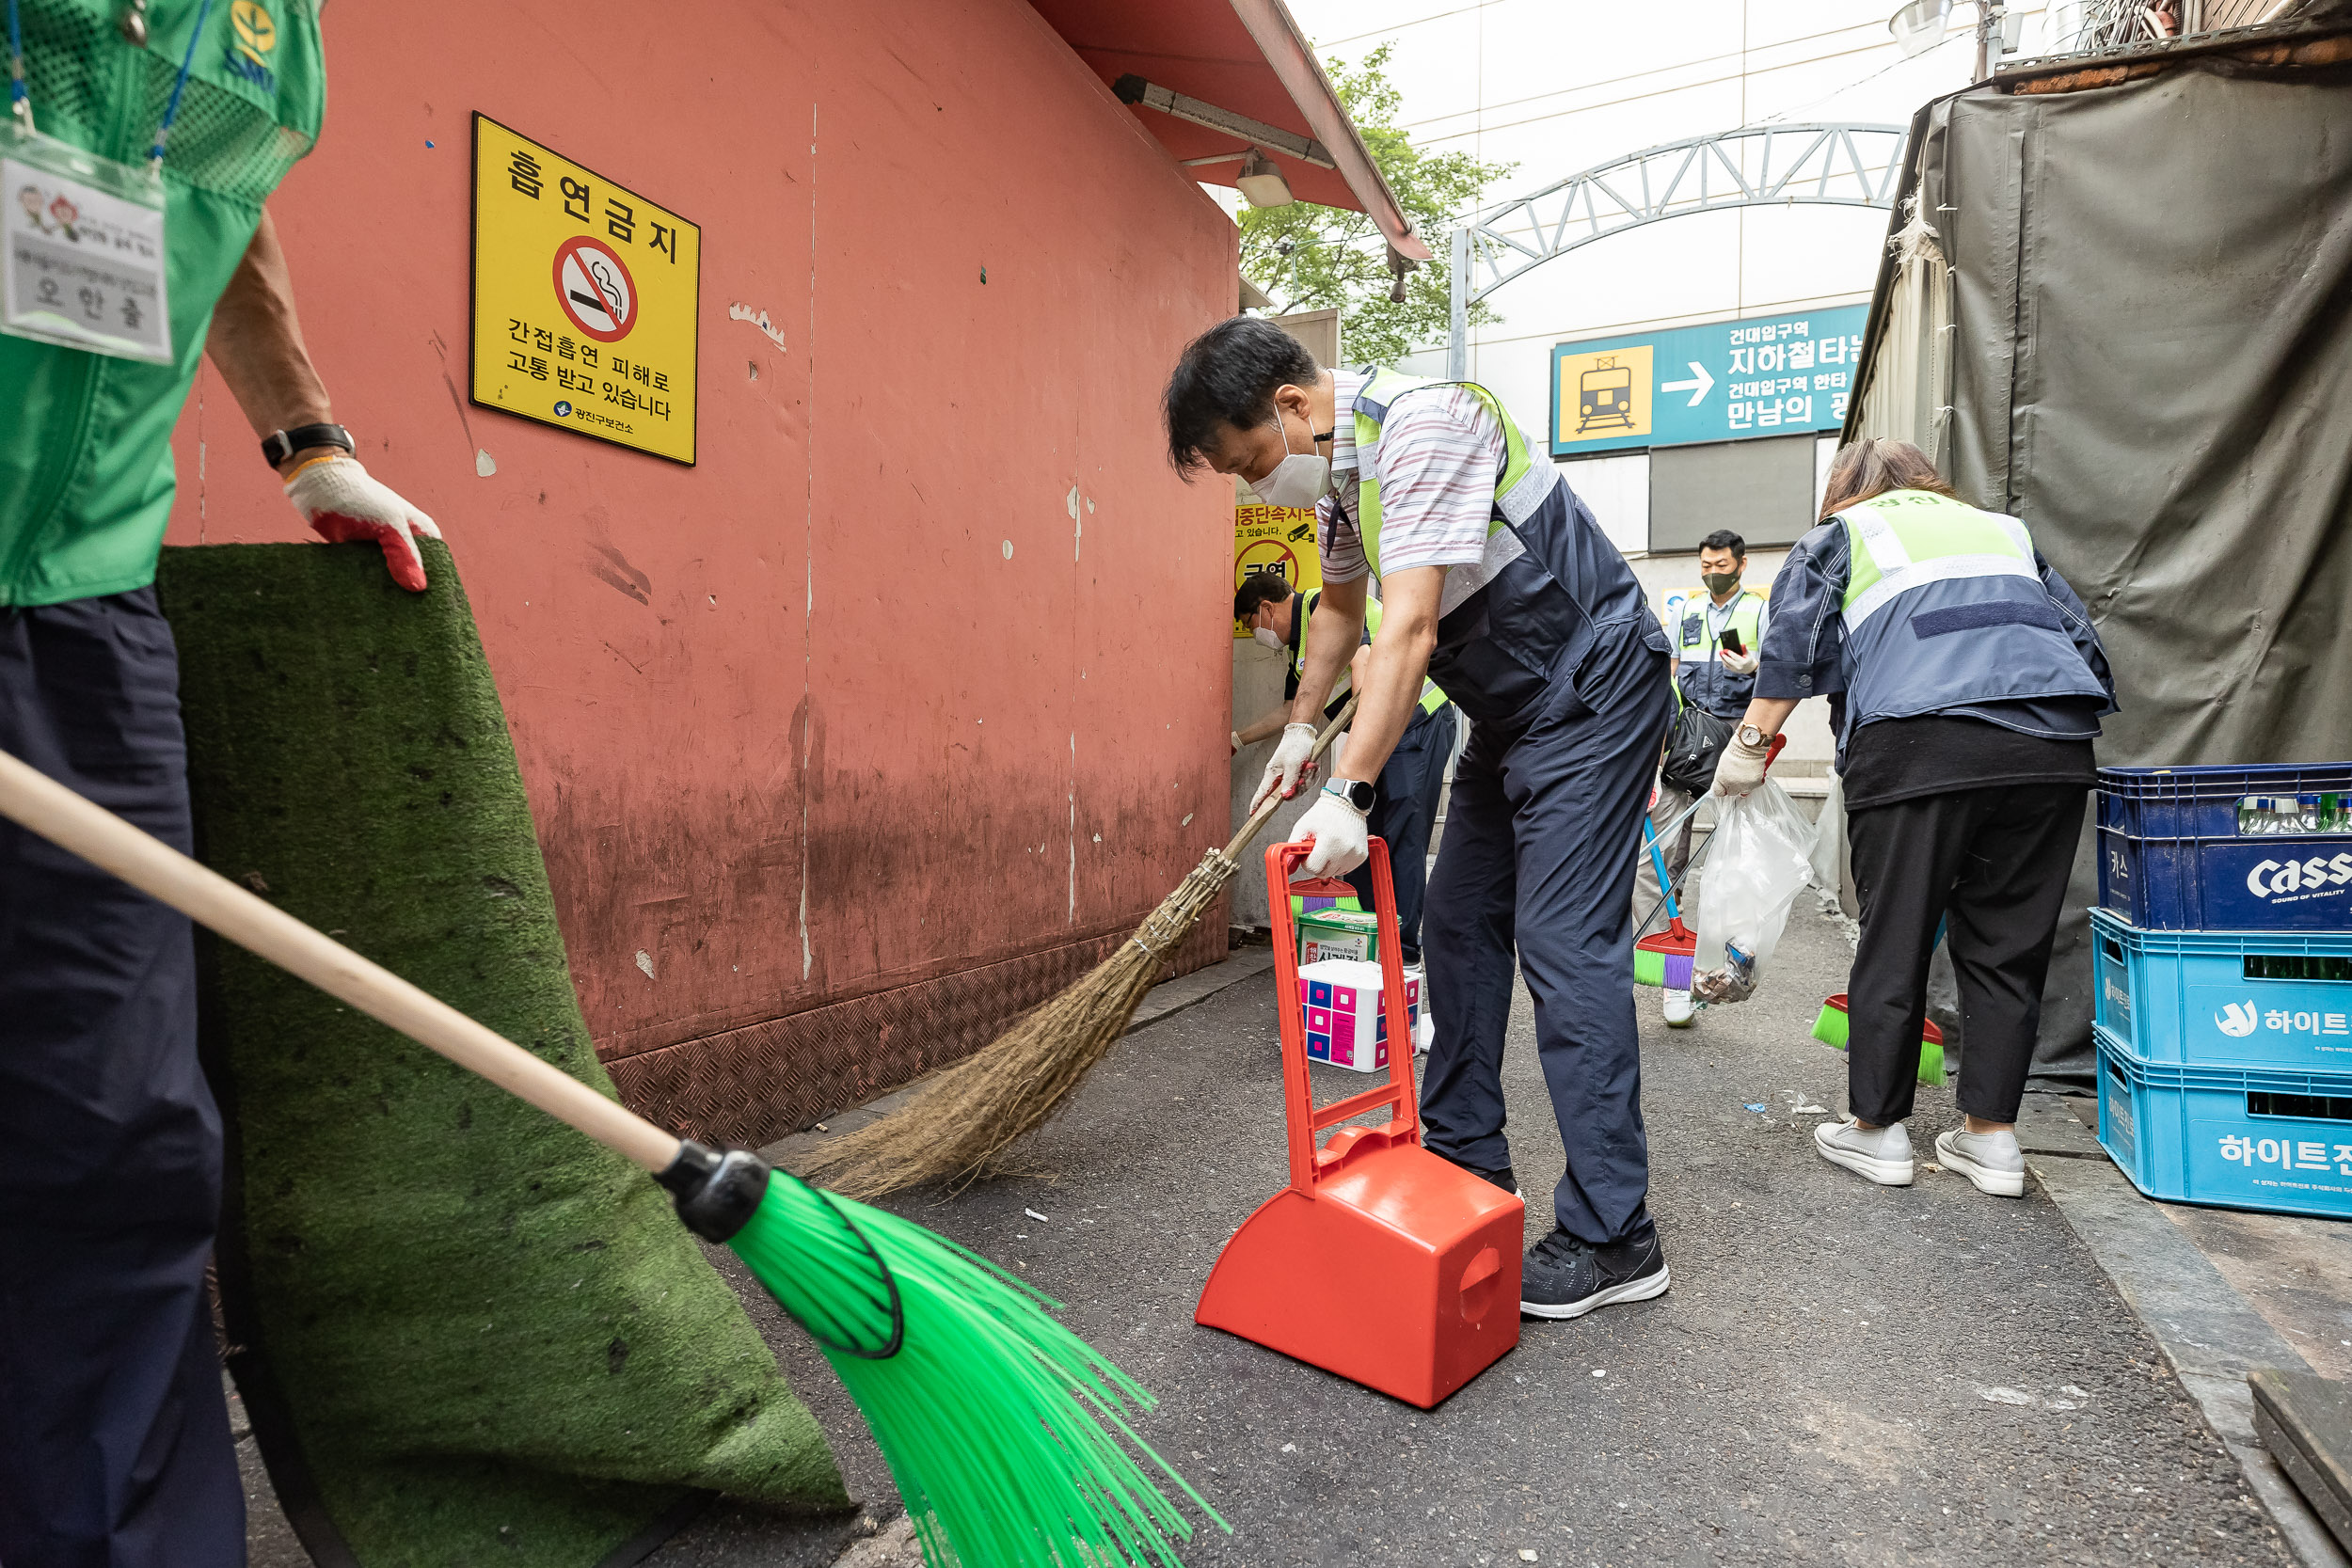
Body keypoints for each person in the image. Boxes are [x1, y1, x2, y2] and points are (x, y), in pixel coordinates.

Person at [2, 6, 438, 1561]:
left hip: (83, 599)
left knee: (117, 1137)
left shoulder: (270, 24)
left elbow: (215, 190)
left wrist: (305, 435)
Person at [1166, 317, 1675, 1320]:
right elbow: (1344, 617)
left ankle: (1618, 1234)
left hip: (1593, 683)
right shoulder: (1347, 482)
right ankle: (1466, 1163)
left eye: (1252, 460)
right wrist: (1302, 732)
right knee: (1457, 919)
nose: (1256, 486)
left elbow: (1411, 624)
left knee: (1564, 944)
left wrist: (1352, 791)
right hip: (1513, 706)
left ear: (1293, 404)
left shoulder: (1423, 424)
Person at [1714, 438, 2114, 1199]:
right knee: (2007, 946)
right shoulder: (2003, 532)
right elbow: (2086, 650)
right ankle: (1992, 1139)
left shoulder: (1844, 532)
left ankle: (1877, 1130)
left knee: (1894, 934)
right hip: (2051, 747)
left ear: (1846, 487)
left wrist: (1750, 744)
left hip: (1918, 742)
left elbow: (1792, 645)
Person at [1233, 570, 1457, 966]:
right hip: (1379, 730)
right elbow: (1294, 710)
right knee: (1359, 834)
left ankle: (1400, 953)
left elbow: (1364, 668)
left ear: (1266, 608)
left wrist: (1351, 763)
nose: (1259, 636)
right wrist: (1240, 739)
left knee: (1400, 834)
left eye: (1253, 626)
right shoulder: (1296, 648)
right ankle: (1365, 936)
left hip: (1417, 719)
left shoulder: (1326, 604)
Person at [1634, 529, 1769, 1026]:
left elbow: (1782, 677)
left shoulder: (1757, 611)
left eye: (1722, 565)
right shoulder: (1687, 612)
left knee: (1741, 853)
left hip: (1738, 735)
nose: (1713, 573)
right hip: (1688, 735)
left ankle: (1734, 963)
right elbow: (1665, 674)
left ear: (1742, 564)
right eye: (1706, 565)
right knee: (1661, 854)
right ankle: (1671, 976)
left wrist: (1756, 667)